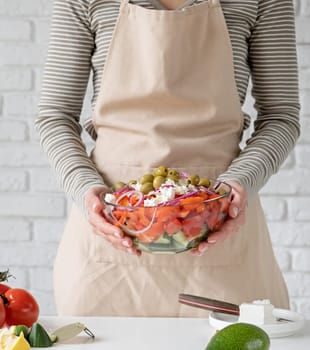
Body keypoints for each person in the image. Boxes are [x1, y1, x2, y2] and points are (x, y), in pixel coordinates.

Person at [36, 0, 300, 317]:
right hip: (110, 238)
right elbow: (55, 116)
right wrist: (84, 190)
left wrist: (239, 183)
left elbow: (281, 117)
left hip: (222, 224)